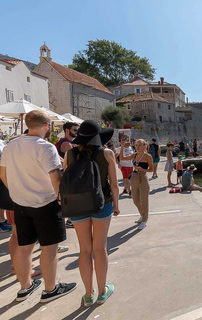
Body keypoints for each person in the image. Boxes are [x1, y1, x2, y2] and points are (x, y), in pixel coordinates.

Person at [0, 110, 77, 302]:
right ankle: (50, 290)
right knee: (49, 248)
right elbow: (55, 177)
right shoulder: (45, 147)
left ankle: (24, 287)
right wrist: (61, 199)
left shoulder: (11, 145)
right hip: (46, 203)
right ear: (46, 126)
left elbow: (3, 174)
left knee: (24, 246)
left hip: (20, 203)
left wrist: (17, 192)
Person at [64, 120, 120, 306]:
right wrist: (117, 204)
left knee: (85, 250)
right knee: (100, 248)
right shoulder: (107, 153)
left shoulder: (69, 154)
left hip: (78, 206)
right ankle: (102, 291)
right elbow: (113, 184)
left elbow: (67, 183)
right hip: (102, 204)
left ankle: (88, 294)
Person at [120, 139, 153, 230]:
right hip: (134, 177)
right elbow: (122, 158)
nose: (137, 147)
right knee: (135, 199)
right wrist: (122, 146)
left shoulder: (147, 156)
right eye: (136, 145)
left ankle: (144, 220)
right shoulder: (134, 155)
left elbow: (152, 169)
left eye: (139, 145)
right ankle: (142, 215)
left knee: (144, 199)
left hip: (143, 177)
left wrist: (142, 169)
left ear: (144, 146)